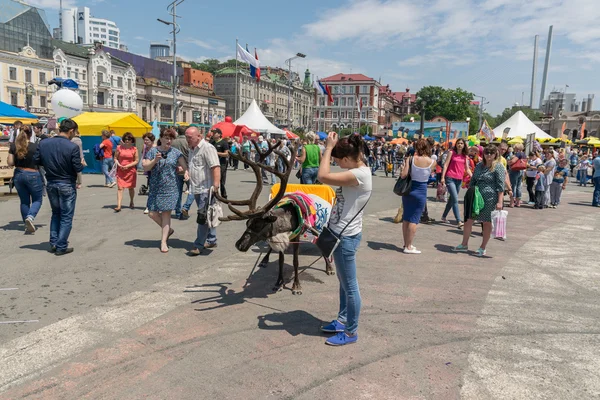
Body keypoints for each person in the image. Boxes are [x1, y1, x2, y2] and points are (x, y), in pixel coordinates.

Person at [317, 132, 371, 346]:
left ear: (348, 159)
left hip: (345, 237)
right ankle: (342, 320)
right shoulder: (358, 167)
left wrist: (329, 148)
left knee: (350, 286)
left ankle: (350, 332)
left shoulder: (357, 174)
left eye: (338, 161)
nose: (336, 164)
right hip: (341, 234)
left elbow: (322, 176)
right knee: (343, 282)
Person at [33, 119, 84, 255]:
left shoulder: (44, 143)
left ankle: (54, 242)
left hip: (51, 182)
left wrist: (50, 164)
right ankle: (61, 245)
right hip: (66, 183)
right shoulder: (72, 146)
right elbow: (77, 167)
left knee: (56, 213)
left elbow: (36, 160)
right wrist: (82, 164)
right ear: (71, 131)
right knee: (66, 216)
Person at [453, 145, 505, 257]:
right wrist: (469, 193)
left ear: (496, 154)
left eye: (491, 153)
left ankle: (483, 247)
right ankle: (464, 244)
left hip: (490, 197)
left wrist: (500, 201)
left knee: (486, 222)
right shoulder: (479, 165)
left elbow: (501, 186)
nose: (489, 155)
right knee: (468, 220)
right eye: (487, 152)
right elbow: (473, 180)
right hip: (475, 195)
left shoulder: (498, 166)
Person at [142, 129, 188, 253]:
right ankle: (168, 230)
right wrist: (155, 161)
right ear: (161, 138)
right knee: (152, 213)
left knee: (166, 214)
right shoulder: (152, 151)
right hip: (155, 187)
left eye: (171, 138)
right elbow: (145, 166)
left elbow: (185, 167)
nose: (169, 141)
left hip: (170, 187)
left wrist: (186, 173)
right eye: (166, 138)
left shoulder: (176, 153)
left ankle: (163, 241)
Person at [185, 126, 220, 255]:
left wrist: (215, 186)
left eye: (190, 137)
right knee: (207, 214)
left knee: (202, 216)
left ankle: (198, 245)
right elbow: (193, 165)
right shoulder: (191, 149)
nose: (187, 140)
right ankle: (211, 239)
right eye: (186, 137)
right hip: (196, 187)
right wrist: (187, 172)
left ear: (198, 136)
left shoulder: (208, 148)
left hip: (207, 188)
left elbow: (215, 167)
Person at [399, 139, 434, 254]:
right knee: (414, 219)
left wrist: (402, 168)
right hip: (421, 190)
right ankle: (408, 246)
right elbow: (430, 176)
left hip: (408, 190)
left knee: (406, 218)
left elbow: (404, 175)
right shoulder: (432, 161)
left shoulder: (410, 159)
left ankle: (406, 244)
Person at [7, 126, 43, 233]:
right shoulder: (36, 146)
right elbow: (40, 161)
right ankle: (30, 217)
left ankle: (27, 224)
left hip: (18, 174)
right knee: (37, 199)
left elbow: (10, 163)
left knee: (24, 201)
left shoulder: (14, 146)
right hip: (32, 173)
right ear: (31, 134)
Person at [440, 138, 471, 229]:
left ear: (464, 145)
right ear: (456, 144)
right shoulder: (451, 153)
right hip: (450, 178)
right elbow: (445, 165)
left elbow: (467, 168)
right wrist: (442, 177)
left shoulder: (465, 156)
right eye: (458, 143)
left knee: (452, 199)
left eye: (461, 143)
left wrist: (473, 177)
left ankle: (443, 216)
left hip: (459, 179)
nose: (460, 145)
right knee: (455, 199)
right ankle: (458, 221)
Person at [114, 132, 139, 212]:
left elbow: (136, 160)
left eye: (129, 139)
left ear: (132, 140)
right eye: (125, 139)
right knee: (120, 188)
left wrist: (128, 166)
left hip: (130, 171)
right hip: (121, 170)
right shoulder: (119, 148)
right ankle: (119, 205)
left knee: (131, 188)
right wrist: (118, 164)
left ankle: (131, 201)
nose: (127, 140)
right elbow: (115, 158)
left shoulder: (134, 149)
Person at [172, 126, 190, 219]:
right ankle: (186, 207)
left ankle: (178, 212)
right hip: (188, 169)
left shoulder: (173, 142)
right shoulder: (188, 141)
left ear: (177, 132)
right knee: (193, 190)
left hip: (176, 169)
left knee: (178, 192)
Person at [210, 128, 229, 199]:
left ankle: (224, 195)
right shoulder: (211, 142)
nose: (213, 134)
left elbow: (226, 154)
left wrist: (217, 153)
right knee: (213, 180)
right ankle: (215, 194)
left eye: (215, 133)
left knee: (221, 180)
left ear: (219, 134)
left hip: (222, 164)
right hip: (213, 163)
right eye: (213, 133)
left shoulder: (224, 143)